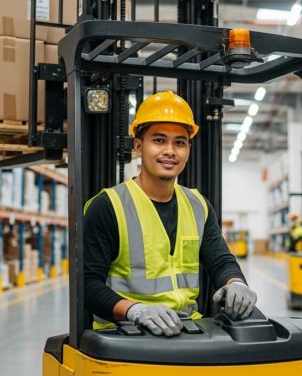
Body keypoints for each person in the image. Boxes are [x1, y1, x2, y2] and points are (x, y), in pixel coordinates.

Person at [83, 91, 257, 337]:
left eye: (180, 142)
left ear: (188, 149)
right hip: (125, 333)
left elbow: (220, 260)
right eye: (159, 140)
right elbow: (88, 285)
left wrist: (236, 283)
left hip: (187, 330)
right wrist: (135, 310)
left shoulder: (198, 205)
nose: (170, 151)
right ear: (139, 145)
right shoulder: (108, 206)